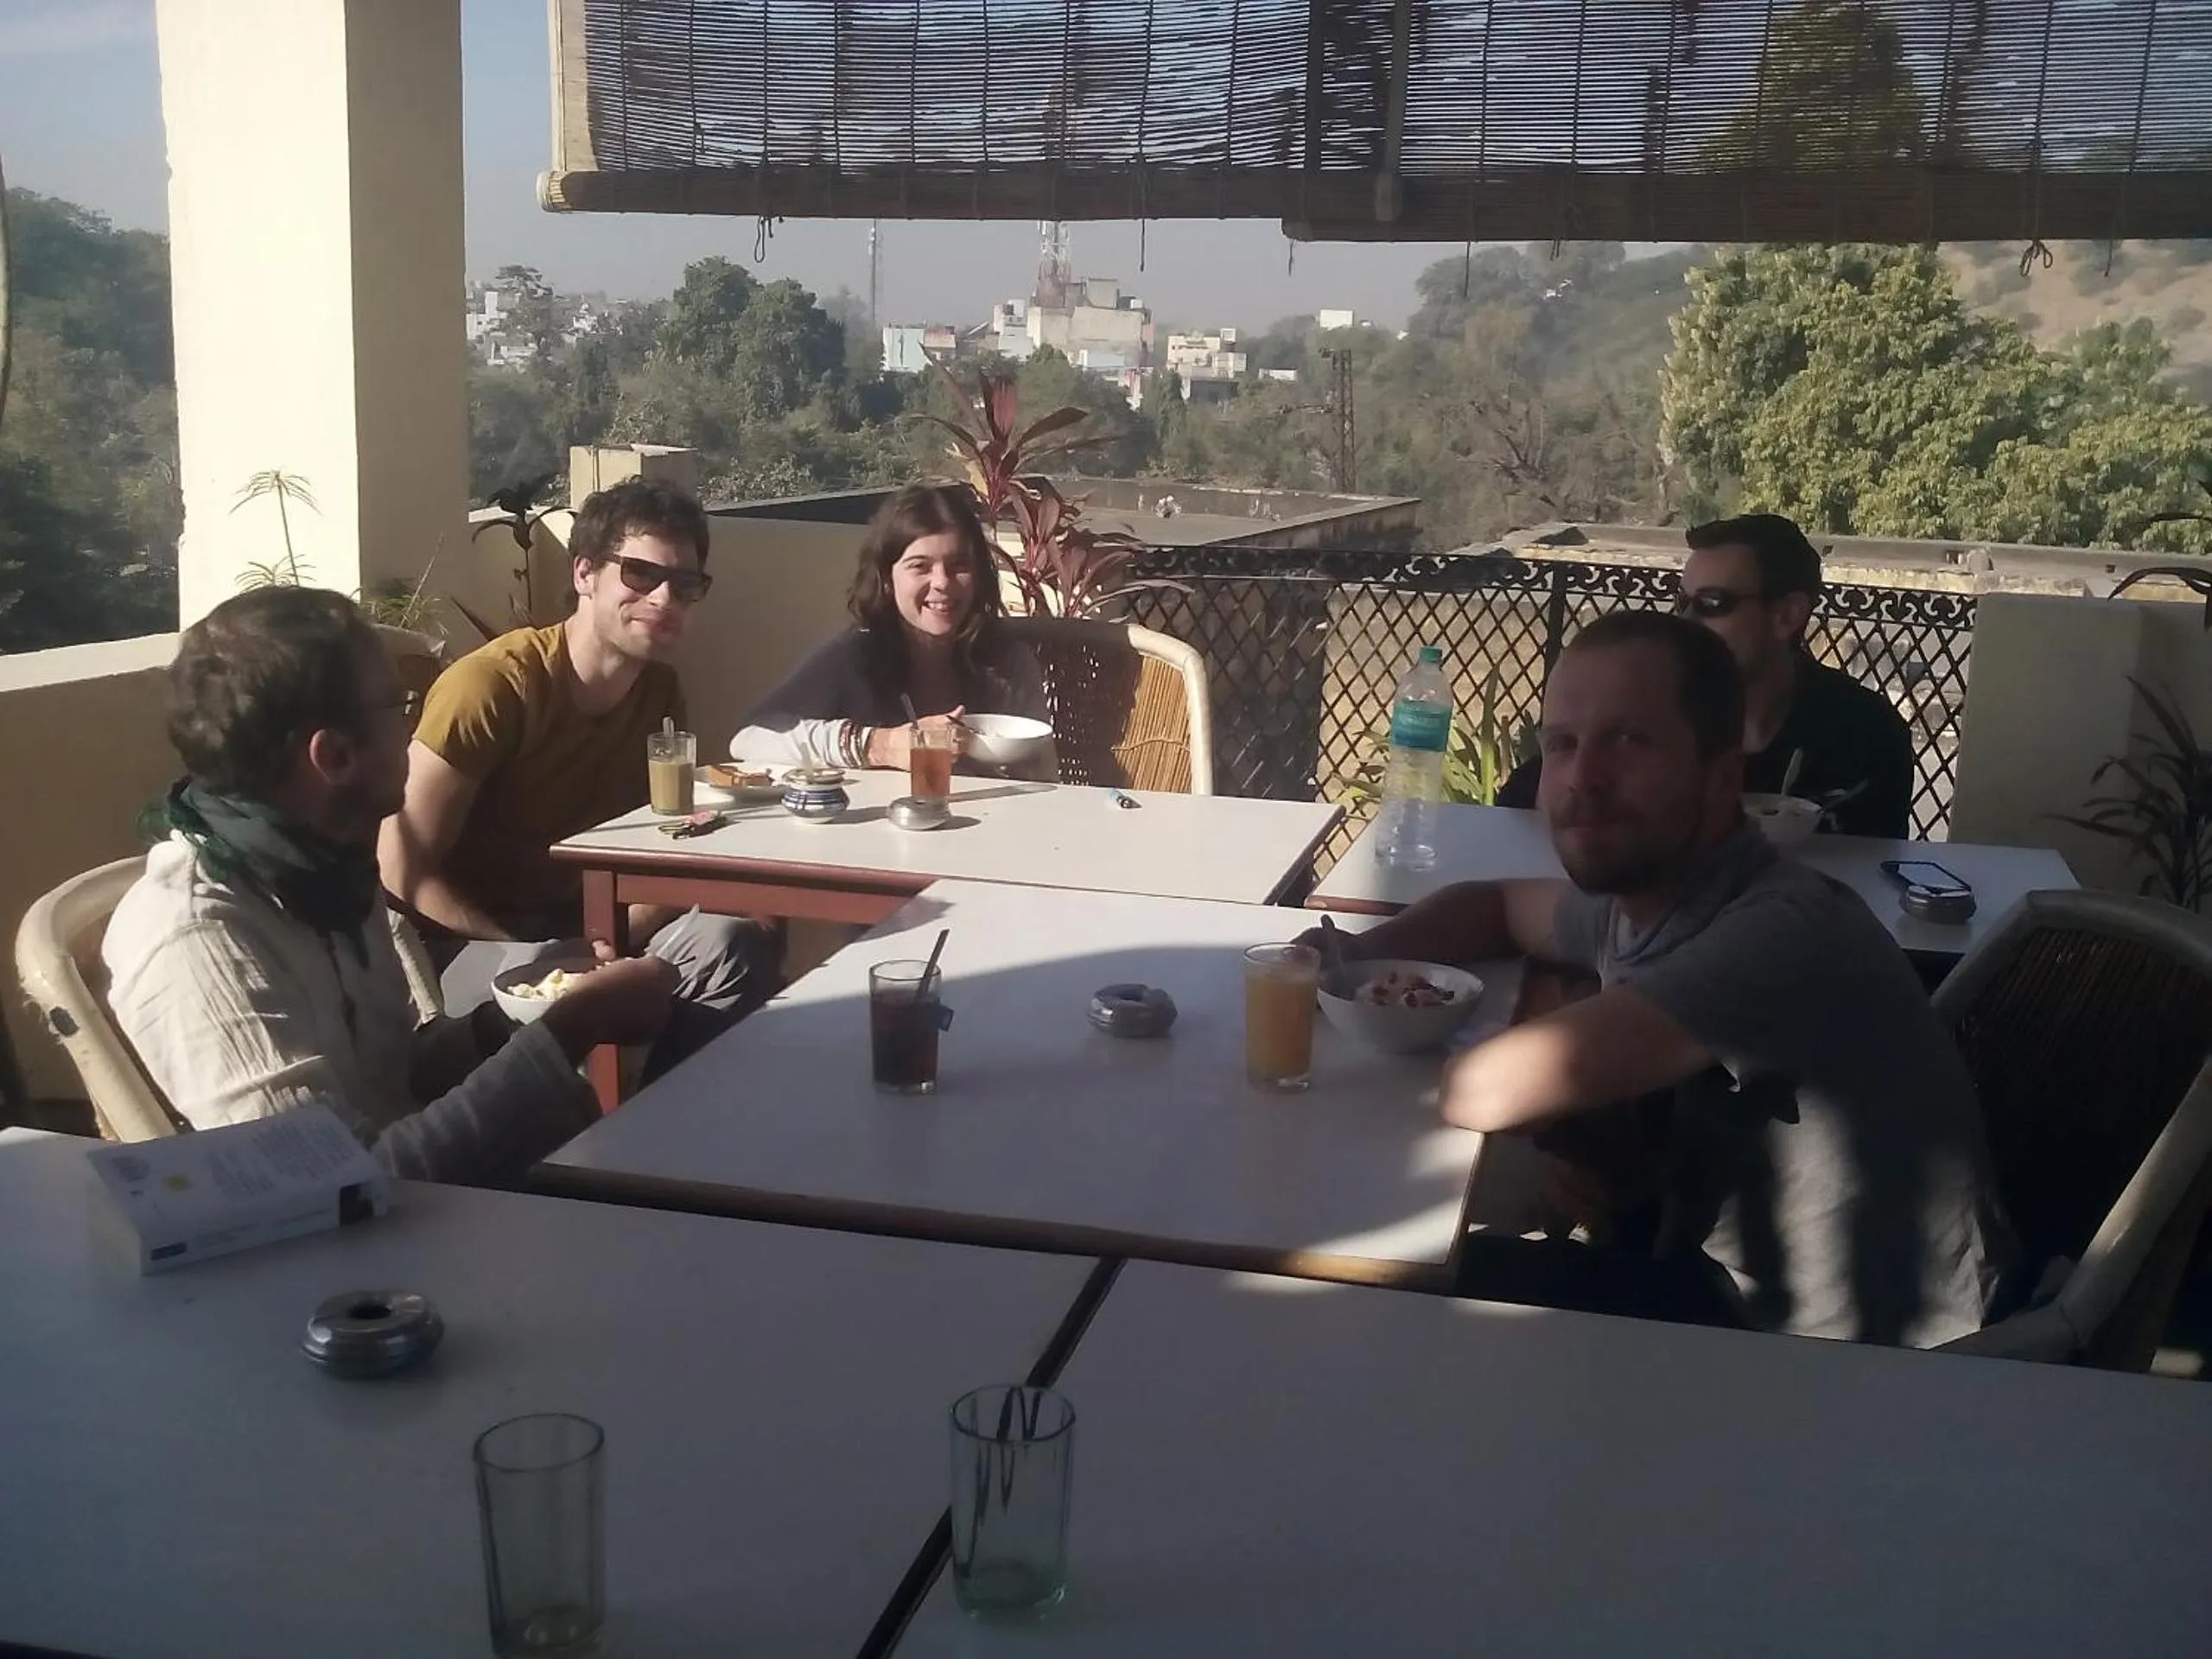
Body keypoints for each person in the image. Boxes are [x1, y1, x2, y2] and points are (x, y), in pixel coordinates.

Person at [1314, 611, 2012, 1346]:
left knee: (1375, 1303)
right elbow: (1493, 905)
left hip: (1848, 1358)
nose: (1584, 777)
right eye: (1562, 745)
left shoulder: (1779, 932)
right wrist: (1347, 961)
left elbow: (1487, 1090)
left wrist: (1387, 1014)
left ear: (1722, 773)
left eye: (1628, 740)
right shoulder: (1652, 894)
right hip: (1723, 1277)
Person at [104, 588, 677, 1183]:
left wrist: (515, 1019)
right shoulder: (198, 937)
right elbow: (338, 1184)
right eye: (399, 708)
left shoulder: (326, 872)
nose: (413, 730)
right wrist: (569, 1032)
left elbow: (394, 1077)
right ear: (334, 756)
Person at [380, 477, 772, 1020]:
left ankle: (656, 1104)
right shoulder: (493, 686)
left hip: (586, 930)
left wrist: (610, 942)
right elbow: (400, 866)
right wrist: (531, 954)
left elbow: (666, 840)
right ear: (584, 573)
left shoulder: (659, 692)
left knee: (735, 939)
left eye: (685, 584)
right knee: (560, 979)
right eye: (640, 574)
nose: (663, 598)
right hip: (469, 945)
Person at [1497, 513, 1915, 838]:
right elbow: (1521, 804)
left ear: (1787, 615)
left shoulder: (1863, 731)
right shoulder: (1650, 710)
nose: (1687, 620)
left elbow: (1875, 869)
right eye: (1682, 602)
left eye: (1713, 603)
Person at [729, 482, 1056, 780]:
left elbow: (1045, 777)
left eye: (959, 565)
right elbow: (750, 739)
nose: (942, 582)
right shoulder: (853, 657)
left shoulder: (1008, 665)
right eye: (920, 566)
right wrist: (879, 745)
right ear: (887, 580)